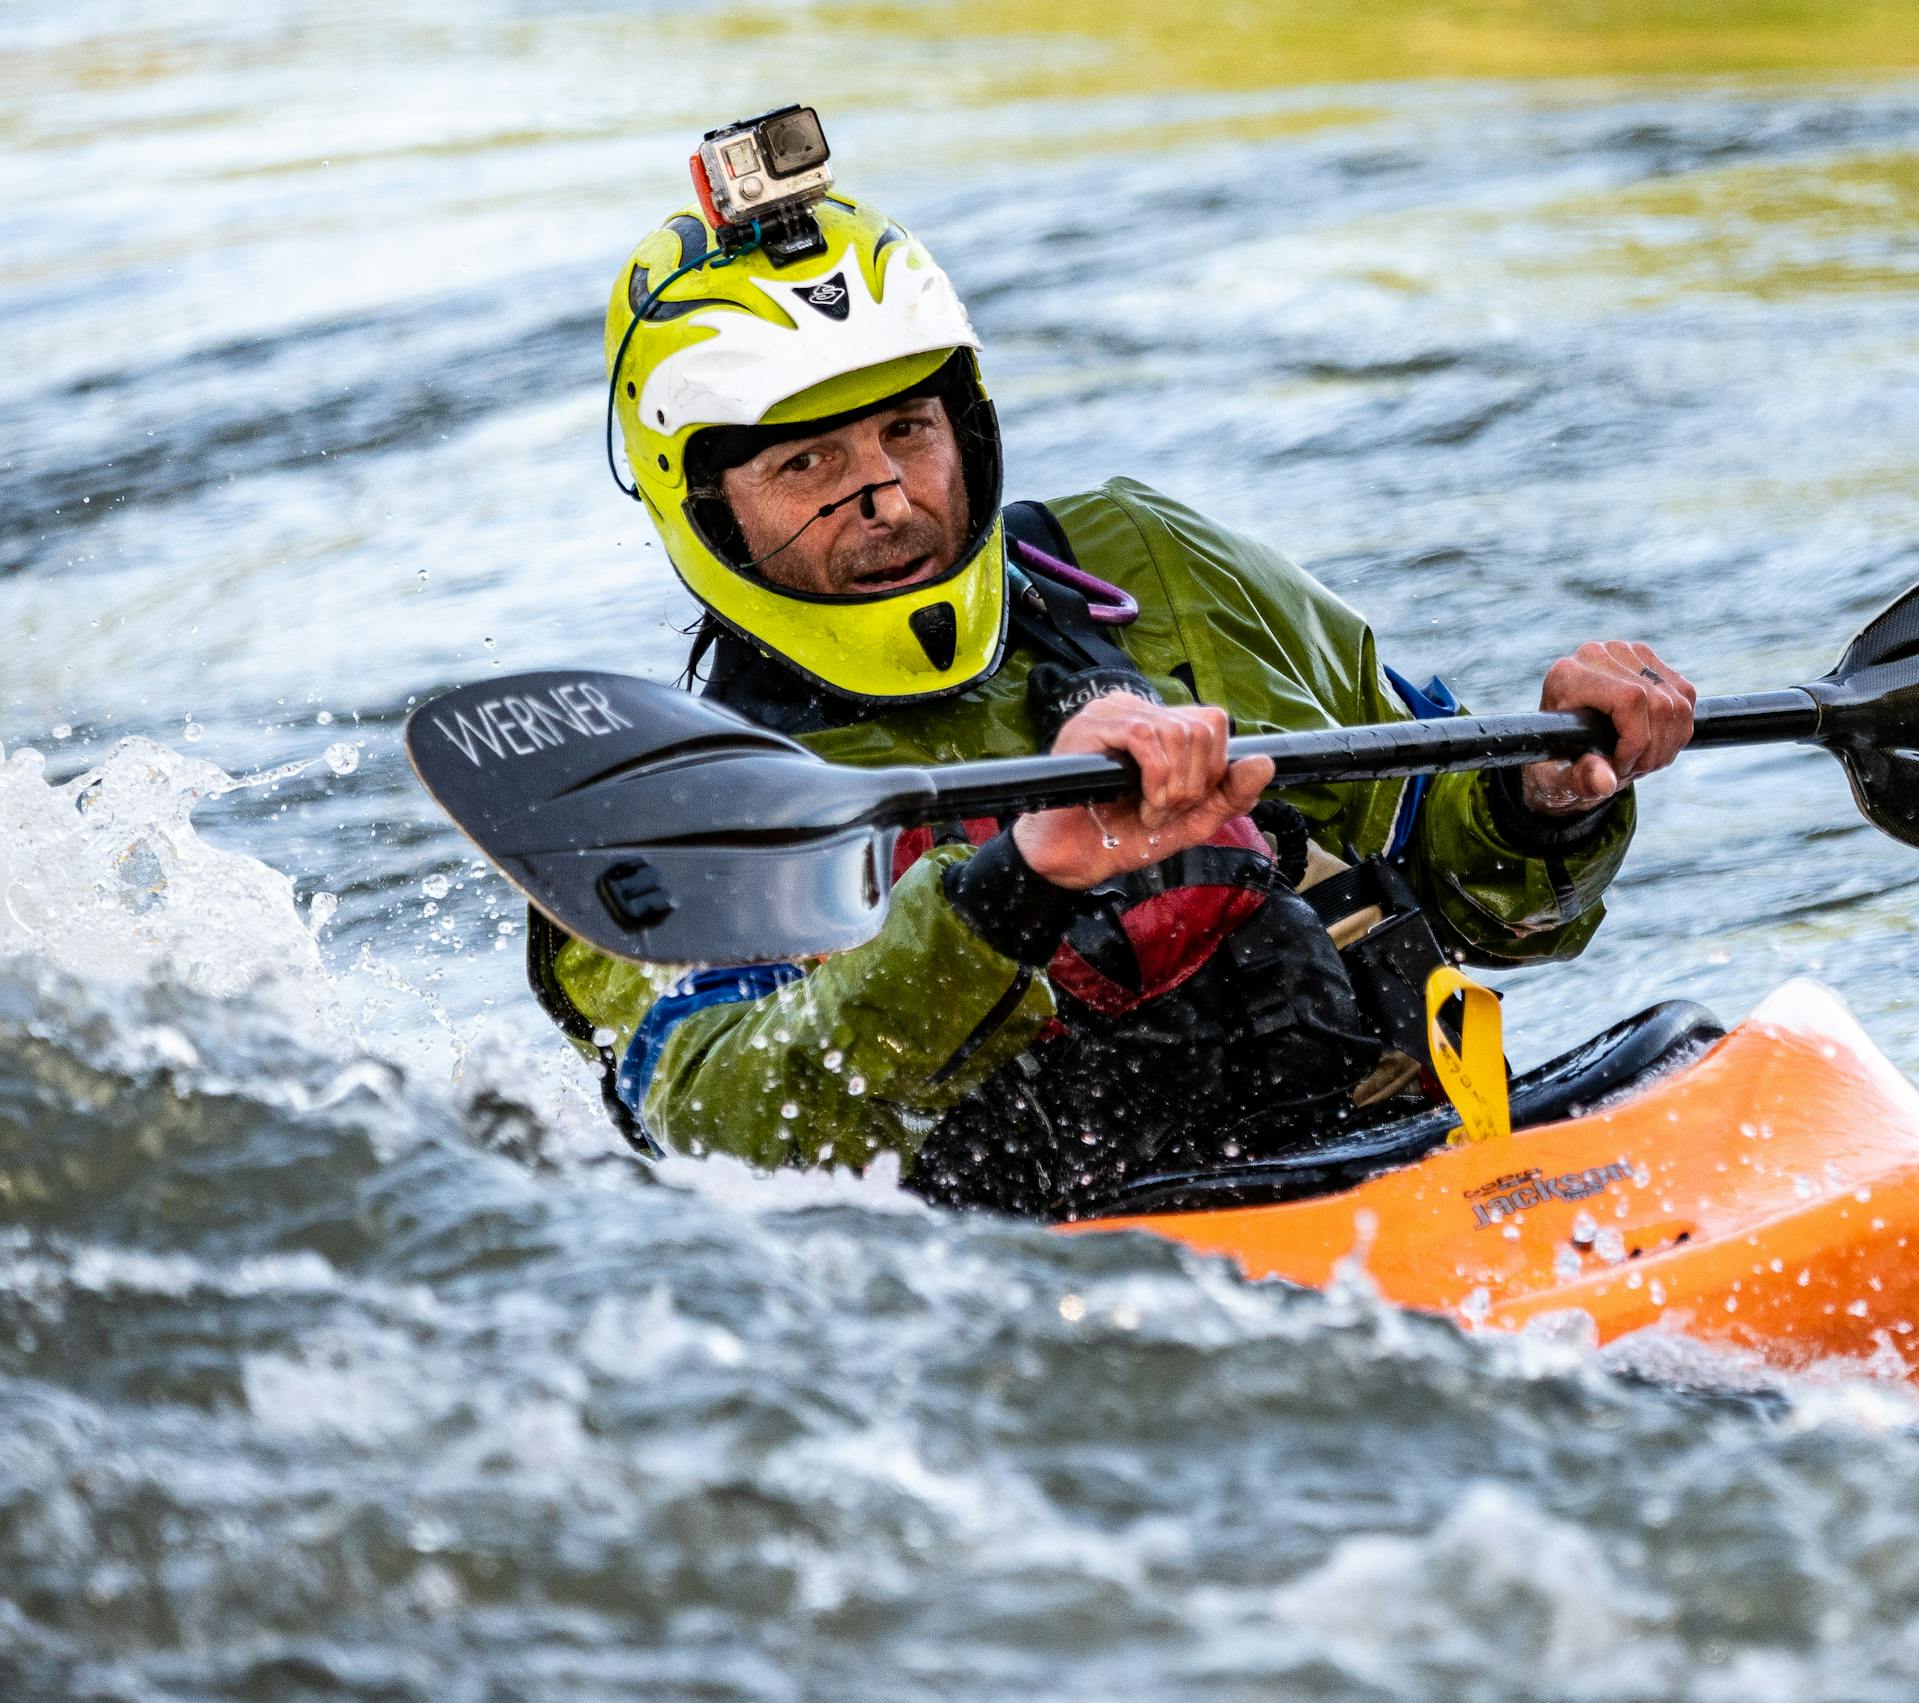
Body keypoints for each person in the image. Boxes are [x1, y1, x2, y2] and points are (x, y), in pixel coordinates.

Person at [534, 190, 1696, 1218]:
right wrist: (1013, 889)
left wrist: (1544, 801)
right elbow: (732, 1127)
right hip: (1036, 1283)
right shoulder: (657, 802)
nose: (885, 497)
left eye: (907, 430)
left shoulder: (1151, 565)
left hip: (1420, 1170)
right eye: (809, 465)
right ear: (706, 505)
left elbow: (1456, 889)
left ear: (967, 424)